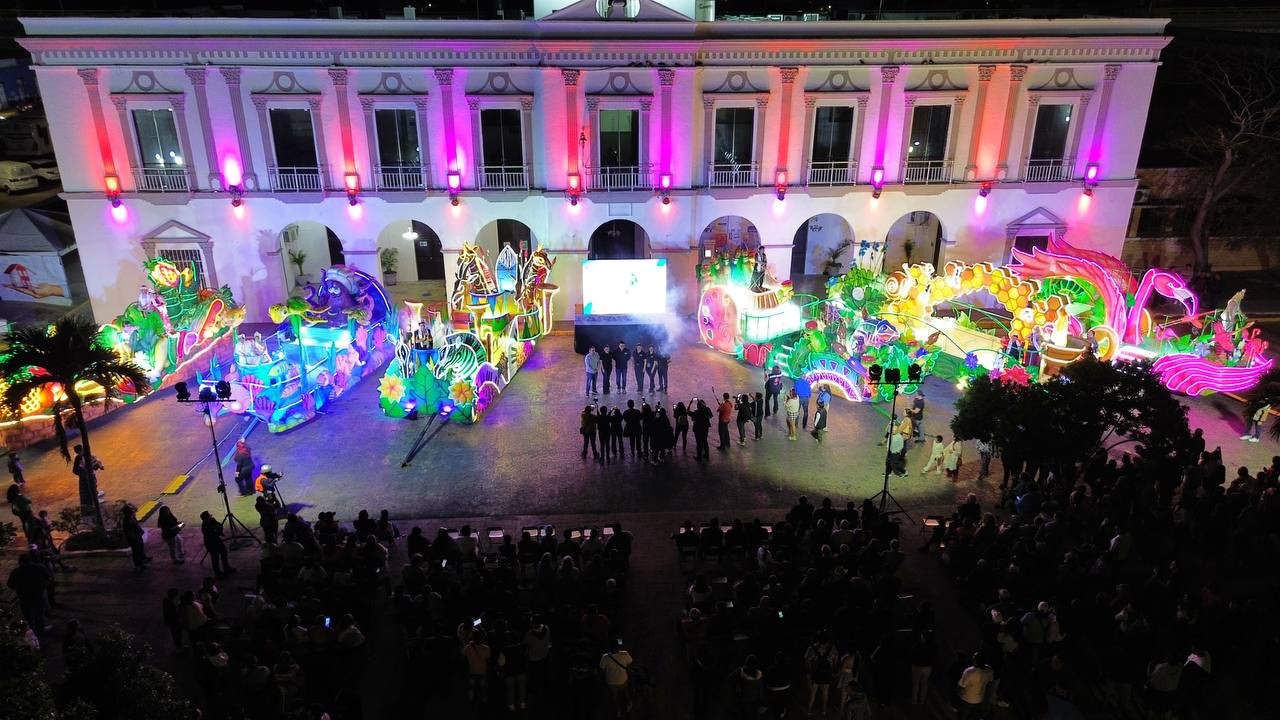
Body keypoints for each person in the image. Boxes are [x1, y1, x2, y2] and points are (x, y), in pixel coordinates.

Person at [7, 554, 51, 633]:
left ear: (20, 562)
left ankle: (32, 630)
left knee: (28, 616)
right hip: (38, 595)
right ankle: (40, 629)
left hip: (24, 597)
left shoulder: (16, 571)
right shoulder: (39, 568)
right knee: (39, 614)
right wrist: (43, 587)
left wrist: (18, 589)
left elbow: (9, 584)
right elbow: (48, 577)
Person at [805, 633, 838, 716]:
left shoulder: (811, 648)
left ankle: (809, 710)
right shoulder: (832, 648)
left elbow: (807, 661)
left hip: (815, 674)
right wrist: (832, 670)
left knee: (813, 693)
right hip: (827, 674)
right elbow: (835, 661)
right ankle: (824, 710)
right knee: (825, 692)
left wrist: (809, 673)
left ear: (818, 639)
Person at [600, 639, 634, 718]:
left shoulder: (605, 657)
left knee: (614, 697)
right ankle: (628, 705)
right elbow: (630, 663)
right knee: (625, 692)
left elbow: (602, 668)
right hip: (623, 680)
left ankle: (617, 711)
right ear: (618, 647)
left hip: (611, 682)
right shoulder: (625, 654)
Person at [957, 652, 994, 720]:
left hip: (967, 698)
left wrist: (959, 694)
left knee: (963, 715)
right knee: (973, 716)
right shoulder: (989, 670)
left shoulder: (970, 671)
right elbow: (990, 683)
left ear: (975, 661)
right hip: (979, 699)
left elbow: (962, 685)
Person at [200, 510, 233, 578]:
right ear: (205, 519)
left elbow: (219, 525)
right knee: (215, 558)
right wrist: (216, 530)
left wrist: (218, 529)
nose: (210, 517)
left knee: (224, 552)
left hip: (217, 540)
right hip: (210, 543)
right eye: (209, 516)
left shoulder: (212, 520)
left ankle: (226, 568)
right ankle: (218, 573)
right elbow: (211, 533)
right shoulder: (204, 527)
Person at [121, 504, 149, 570]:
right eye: (131, 510)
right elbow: (128, 532)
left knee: (141, 548)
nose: (132, 511)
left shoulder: (131, 517)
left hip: (138, 535)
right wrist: (135, 539)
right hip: (134, 538)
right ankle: (138, 565)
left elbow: (136, 523)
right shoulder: (126, 521)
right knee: (136, 551)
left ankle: (143, 559)